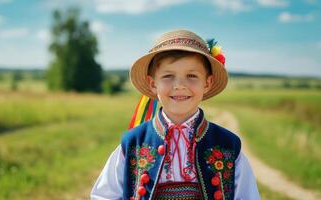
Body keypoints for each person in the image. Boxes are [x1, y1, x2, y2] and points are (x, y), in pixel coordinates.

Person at [90, 29, 260, 200]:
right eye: (168, 76)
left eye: (191, 76)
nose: (179, 85)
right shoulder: (133, 143)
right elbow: (103, 196)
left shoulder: (227, 145)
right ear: (152, 84)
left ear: (207, 83)